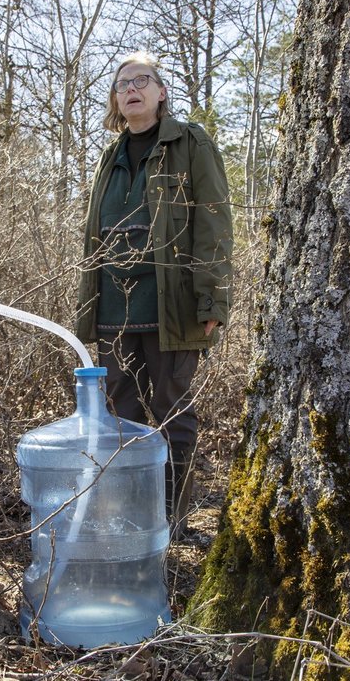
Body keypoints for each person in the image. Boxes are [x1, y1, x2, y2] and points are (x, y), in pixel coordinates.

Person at [75, 51, 234, 532]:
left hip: (173, 308)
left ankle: (173, 518)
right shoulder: (110, 155)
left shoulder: (190, 143)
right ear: (116, 98)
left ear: (161, 92)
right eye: (122, 83)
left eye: (142, 80)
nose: (131, 89)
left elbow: (214, 222)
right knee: (122, 420)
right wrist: (87, 310)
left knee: (171, 413)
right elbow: (93, 238)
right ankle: (132, 515)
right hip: (114, 312)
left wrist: (213, 298)